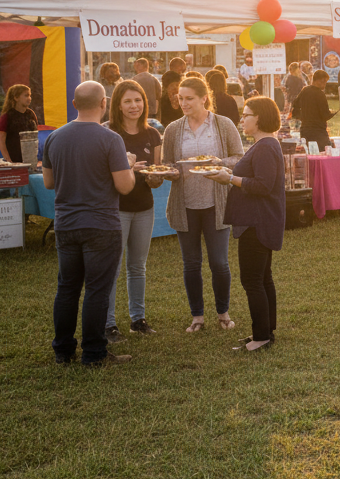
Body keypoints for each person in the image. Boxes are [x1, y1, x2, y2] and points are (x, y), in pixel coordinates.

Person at [45, 81, 137, 365]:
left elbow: (48, 182)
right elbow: (124, 187)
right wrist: (130, 166)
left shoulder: (54, 138)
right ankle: (94, 353)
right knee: (97, 289)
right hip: (101, 225)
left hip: (66, 223)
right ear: (104, 104)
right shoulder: (110, 139)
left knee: (67, 288)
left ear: (74, 105)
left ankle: (62, 350)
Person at [161, 76, 244, 333]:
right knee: (191, 263)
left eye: (188, 98)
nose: (183, 103)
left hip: (215, 202)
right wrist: (170, 173)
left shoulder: (222, 124)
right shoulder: (174, 129)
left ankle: (223, 313)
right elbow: (168, 165)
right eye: (180, 98)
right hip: (185, 203)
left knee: (219, 262)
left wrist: (219, 163)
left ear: (203, 98)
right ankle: (197, 316)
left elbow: (239, 157)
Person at [204, 96, 286, 352]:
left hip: (257, 222)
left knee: (253, 280)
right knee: (262, 278)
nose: (242, 119)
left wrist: (230, 179)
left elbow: (263, 185)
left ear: (258, 118)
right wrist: (231, 176)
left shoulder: (265, 146)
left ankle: (261, 337)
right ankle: (265, 332)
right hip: (259, 220)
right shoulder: (265, 145)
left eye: (246, 114)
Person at [103, 80, 164, 342]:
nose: (134, 106)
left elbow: (158, 174)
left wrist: (155, 177)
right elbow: (101, 176)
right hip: (116, 209)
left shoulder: (153, 134)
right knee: (112, 267)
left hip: (144, 207)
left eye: (138, 100)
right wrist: (128, 169)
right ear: (117, 104)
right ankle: (108, 324)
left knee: (137, 266)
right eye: (127, 101)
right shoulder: (107, 134)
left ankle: (138, 319)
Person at [291, 69, 336, 151]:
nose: (324, 84)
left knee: (308, 154)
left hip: (305, 130)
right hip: (318, 131)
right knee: (322, 153)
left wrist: (302, 117)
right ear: (317, 80)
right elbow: (325, 115)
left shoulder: (304, 90)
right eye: (323, 81)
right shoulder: (320, 94)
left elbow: (295, 105)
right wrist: (333, 113)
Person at [0, 84, 38, 164]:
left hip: (30, 159)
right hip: (14, 160)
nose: (29, 98)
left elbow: (35, 137)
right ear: (16, 98)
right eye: (26, 96)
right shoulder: (7, 116)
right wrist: (9, 161)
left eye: (30, 95)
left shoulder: (31, 114)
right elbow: (1, 141)